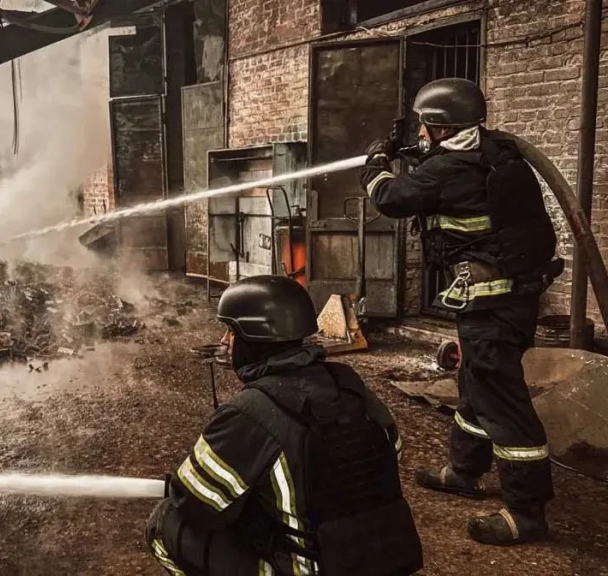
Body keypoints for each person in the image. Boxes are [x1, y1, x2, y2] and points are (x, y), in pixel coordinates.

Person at [360, 77, 564, 546]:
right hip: (506, 297)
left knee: (502, 402)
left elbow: (390, 198)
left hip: (493, 302)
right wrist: (413, 155)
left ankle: (526, 512)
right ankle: (464, 471)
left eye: (425, 125)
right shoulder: (492, 153)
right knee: (475, 383)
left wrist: (375, 164)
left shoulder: (448, 168)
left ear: (442, 127)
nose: (420, 132)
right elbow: (446, 179)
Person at [145, 275, 423, 576]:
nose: (225, 342)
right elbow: (393, 451)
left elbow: (194, 502)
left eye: (231, 332)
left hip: (316, 569)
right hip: (384, 560)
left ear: (252, 337)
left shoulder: (251, 411)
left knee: (165, 522)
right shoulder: (349, 384)